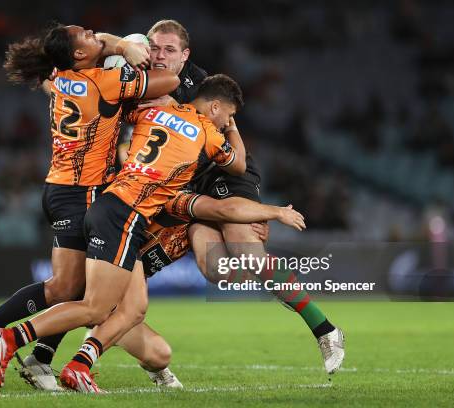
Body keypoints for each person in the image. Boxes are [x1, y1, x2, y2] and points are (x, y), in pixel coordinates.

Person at [0, 21, 180, 387]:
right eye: (87, 36)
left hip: (61, 188)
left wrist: (119, 45)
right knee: (81, 294)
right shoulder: (103, 83)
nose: (95, 35)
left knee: (65, 288)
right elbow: (168, 83)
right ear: (79, 54)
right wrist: (127, 52)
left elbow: (99, 46)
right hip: (83, 193)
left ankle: (35, 356)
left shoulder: (63, 74)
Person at [0, 73, 248, 390]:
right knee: (93, 306)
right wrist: (276, 209)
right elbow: (237, 171)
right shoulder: (206, 137)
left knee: (135, 313)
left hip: (108, 206)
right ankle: (12, 338)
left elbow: (117, 112)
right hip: (125, 214)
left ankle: (78, 363)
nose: (227, 123)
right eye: (229, 116)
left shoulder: (155, 111)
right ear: (216, 107)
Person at [131, 19, 345, 376]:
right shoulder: (137, 78)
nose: (159, 55)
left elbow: (232, 142)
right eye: (154, 47)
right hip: (185, 184)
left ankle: (325, 330)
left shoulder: (199, 86)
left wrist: (250, 211)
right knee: (218, 271)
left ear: (184, 55)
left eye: (169, 50)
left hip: (226, 174)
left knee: (248, 251)